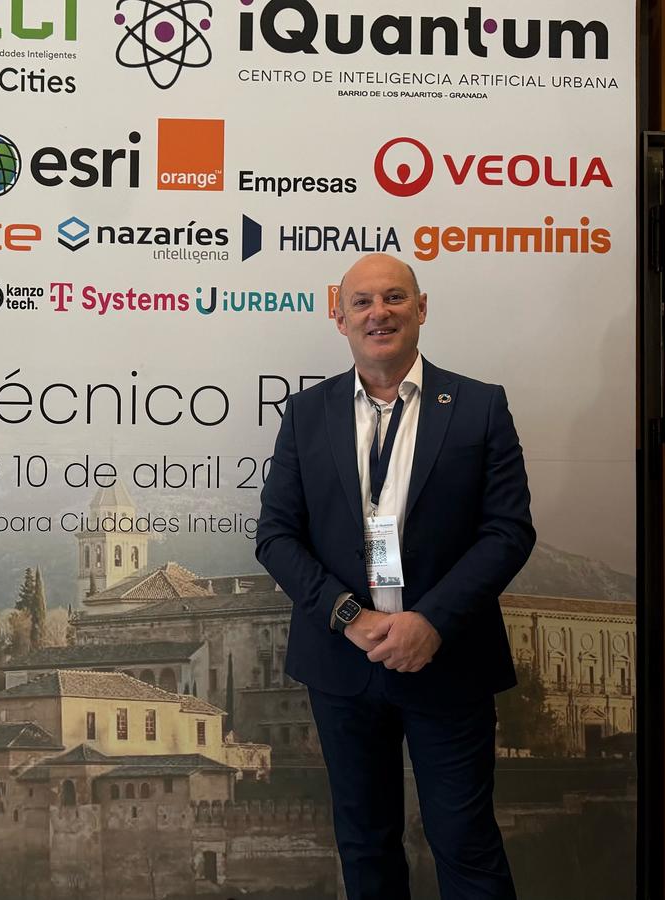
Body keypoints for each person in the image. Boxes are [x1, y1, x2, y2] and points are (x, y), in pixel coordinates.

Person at [255, 253, 534, 899]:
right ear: (340, 318)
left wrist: (431, 621)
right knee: (365, 846)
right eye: (362, 302)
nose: (378, 313)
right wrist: (350, 617)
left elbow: (508, 531)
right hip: (342, 663)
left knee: (465, 842)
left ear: (421, 307)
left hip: (447, 656)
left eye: (394, 297)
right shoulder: (307, 413)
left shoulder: (478, 406)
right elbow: (276, 536)